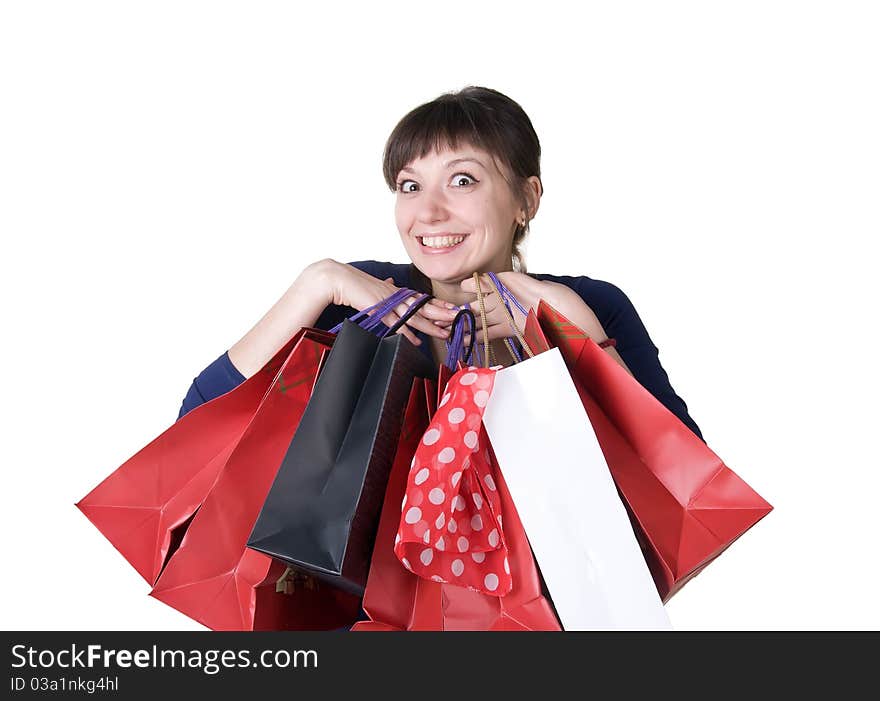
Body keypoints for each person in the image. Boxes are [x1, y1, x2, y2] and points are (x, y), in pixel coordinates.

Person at [178, 85, 703, 441]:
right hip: (356, 610)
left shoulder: (593, 305)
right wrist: (320, 281)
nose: (428, 212)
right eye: (410, 185)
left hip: (539, 608)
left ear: (527, 199)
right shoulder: (357, 306)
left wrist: (572, 326)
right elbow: (199, 429)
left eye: (463, 180)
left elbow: (681, 495)